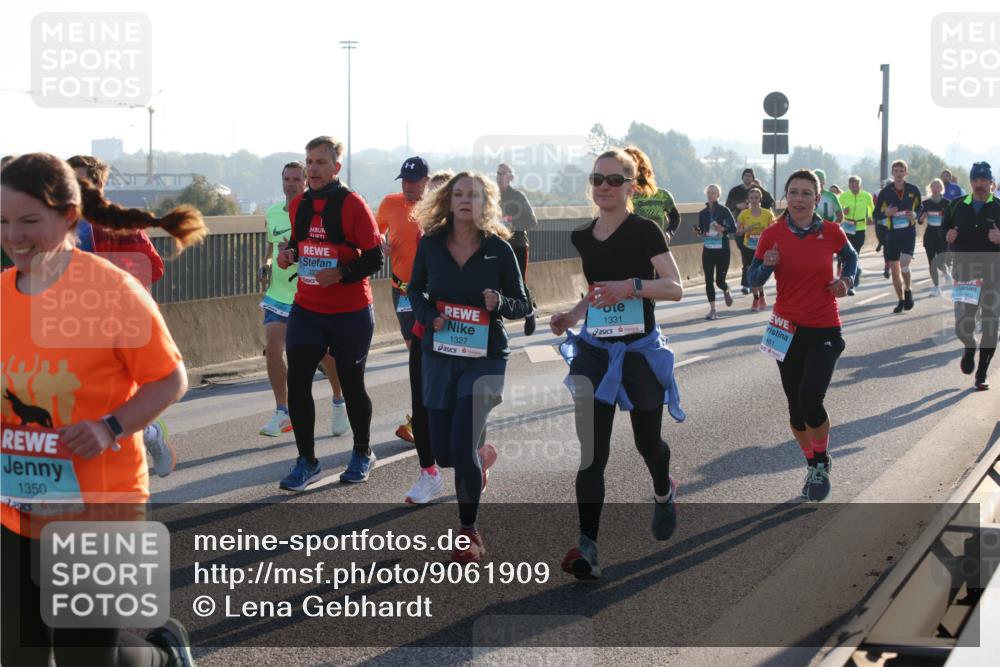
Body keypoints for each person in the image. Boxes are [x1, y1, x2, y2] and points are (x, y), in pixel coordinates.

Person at [1, 152, 205, 666]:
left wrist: (109, 426)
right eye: (2, 221)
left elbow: (169, 378)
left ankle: (162, 655)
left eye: (29, 221)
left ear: (70, 217)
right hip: (16, 505)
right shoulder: (1, 294)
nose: (13, 236)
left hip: (100, 508)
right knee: (20, 653)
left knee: (84, 658)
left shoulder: (112, 291)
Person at [550, 147, 685, 580]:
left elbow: (675, 287)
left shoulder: (645, 230)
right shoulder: (583, 237)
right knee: (593, 454)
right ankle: (587, 546)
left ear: (631, 186)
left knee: (649, 445)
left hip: (639, 351)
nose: (604, 187)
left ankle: (664, 492)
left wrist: (632, 286)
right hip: (594, 352)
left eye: (613, 180)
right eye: (597, 179)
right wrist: (571, 316)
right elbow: (596, 292)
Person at [408, 171, 528, 561]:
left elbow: (525, 304)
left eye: (473, 195)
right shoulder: (431, 245)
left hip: (485, 357)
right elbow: (415, 289)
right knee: (444, 453)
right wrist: (429, 314)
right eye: (458, 194)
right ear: (447, 200)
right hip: (440, 355)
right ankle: (480, 456)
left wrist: (500, 303)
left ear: (485, 203)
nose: (465, 200)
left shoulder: (499, 249)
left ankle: (468, 533)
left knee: (460, 445)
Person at [275, 136, 384, 491]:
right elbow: (298, 242)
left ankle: (363, 452)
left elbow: (374, 258)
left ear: (335, 167)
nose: (312, 168)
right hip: (307, 309)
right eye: (309, 162)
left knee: (352, 384)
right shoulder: (299, 206)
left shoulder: (352, 204)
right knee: (298, 381)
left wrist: (340, 273)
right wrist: (288, 253)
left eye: (321, 162)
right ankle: (307, 461)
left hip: (350, 312)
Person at [748, 168, 858, 503]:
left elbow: (852, 259)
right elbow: (752, 279)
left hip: (825, 326)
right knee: (795, 409)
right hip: (785, 329)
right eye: (793, 192)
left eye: (806, 193)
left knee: (811, 399)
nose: (799, 199)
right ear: (786, 196)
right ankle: (811, 463)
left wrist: (847, 281)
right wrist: (766, 265)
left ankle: (821, 463)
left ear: (817, 197)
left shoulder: (832, 232)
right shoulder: (772, 233)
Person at [65, 155, 176, 478]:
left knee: (105, 404)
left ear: (99, 185)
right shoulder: (55, 221)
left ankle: (149, 435)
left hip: (111, 325)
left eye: (83, 180)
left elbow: (153, 267)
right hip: (67, 325)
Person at [258, 161, 347, 437]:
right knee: (273, 349)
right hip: (278, 295)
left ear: (305, 182)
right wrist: (268, 263)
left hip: (307, 293)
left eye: (297, 179)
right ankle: (282, 411)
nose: (291, 184)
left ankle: (338, 400)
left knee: (325, 353)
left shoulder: (314, 212)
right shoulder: (273, 214)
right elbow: (271, 248)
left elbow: (325, 251)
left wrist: (296, 254)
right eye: (287, 178)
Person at [400, 170, 452, 505]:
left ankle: (475, 457)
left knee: (460, 405)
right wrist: (425, 314)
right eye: (430, 197)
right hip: (427, 331)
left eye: (443, 195)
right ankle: (428, 474)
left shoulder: (483, 239)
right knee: (421, 403)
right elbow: (416, 286)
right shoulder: (425, 238)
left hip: (465, 334)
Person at [376, 156, 432, 444]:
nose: (408, 186)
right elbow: (373, 231)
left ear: (426, 181)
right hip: (402, 291)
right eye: (405, 181)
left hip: (433, 293)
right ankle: (423, 417)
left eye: (414, 181)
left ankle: (422, 418)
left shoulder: (436, 208)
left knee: (425, 356)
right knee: (416, 355)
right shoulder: (390, 203)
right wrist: (380, 242)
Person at [943, 162, 1000, 390]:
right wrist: (948, 234)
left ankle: (982, 373)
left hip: (994, 275)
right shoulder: (957, 206)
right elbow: (943, 229)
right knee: (963, 325)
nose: (979, 185)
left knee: (990, 326)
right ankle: (969, 347)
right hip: (965, 272)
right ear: (971, 182)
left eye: (983, 180)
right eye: (975, 180)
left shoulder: (998, 206)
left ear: (990, 182)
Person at [875, 160, 923, 313]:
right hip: (892, 235)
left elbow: (921, 207)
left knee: (904, 265)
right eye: (896, 170)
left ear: (906, 173)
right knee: (895, 272)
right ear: (892, 173)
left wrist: (915, 215)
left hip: (908, 233)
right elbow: (875, 214)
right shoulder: (885, 192)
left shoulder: (913, 189)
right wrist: (886, 213)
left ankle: (908, 289)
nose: (899, 173)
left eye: (901, 170)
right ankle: (901, 300)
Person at [496, 163, 539, 336]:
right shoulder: (492, 197)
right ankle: (496, 321)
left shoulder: (518, 196)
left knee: (519, 282)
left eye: (503, 174)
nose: (499, 177)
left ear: (511, 177)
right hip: (498, 246)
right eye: (498, 173)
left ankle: (529, 313)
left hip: (518, 245)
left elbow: (532, 221)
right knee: (497, 283)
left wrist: (512, 225)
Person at [725, 168, 775, 294]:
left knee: (756, 258)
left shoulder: (759, 190)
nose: (748, 178)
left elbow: (770, 201)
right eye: (746, 176)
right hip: (741, 226)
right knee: (745, 256)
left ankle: (753, 282)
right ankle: (747, 283)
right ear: (742, 177)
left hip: (759, 229)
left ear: (753, 178)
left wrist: (759, 196)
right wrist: (737, 206)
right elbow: (727, 206)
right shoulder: (735, 191)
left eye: (750, 176)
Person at [697, 183, 737, 320]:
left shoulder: (724, 210)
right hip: (708, 250)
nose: (711, 195)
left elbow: (734, 228)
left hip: (722, 250)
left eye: (714, 193)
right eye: (709, 193)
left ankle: (726, 289)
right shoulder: (702, 213)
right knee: (708, 280)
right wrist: (699, 231)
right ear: (706, 195)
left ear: (718, 195)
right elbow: (703, 230)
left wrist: (723, 229)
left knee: (720, 281)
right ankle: (713, 310)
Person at [735, 186, 775, 311]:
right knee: (751, 273)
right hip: (748, 247)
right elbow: (738, 232)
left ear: (760, 199)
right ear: (748, 200)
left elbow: (773, 231)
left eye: (756, 197)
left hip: (762, 248)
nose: (754, 200)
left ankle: (762, 296)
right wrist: (747, 229)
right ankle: (756, 298)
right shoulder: (743, 214)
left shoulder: (767, 214)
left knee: (760, 272)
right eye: (751, 198)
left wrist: (765, 232)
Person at [629, 155, 681, 241]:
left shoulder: (662, 195)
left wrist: (669, 233)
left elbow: (675, 217)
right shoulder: (625, 196)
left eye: (642, 171)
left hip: (658, 245)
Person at [838, 175, 875, 295]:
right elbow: (838, 209)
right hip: (847, 227)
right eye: (852, 184)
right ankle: (850, 283)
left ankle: (854, 274)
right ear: (849, 185)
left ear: (860, 185)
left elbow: (871, 208)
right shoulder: (844, 196)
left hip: (860, 227)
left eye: (857, 184)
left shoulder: (866, 196)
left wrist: (869, 216)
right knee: (846, 255)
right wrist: (844, 211)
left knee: (855, 254)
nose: (855, 186)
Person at [920, 178, 952, 298]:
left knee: (939, 261)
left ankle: (945, 270)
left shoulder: (947, 203)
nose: (935, 189)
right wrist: (922, 217)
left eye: (938, 187)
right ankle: (936, 287)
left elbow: (951, 220)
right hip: (930, 234)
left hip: (942, 235)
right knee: (931, 262)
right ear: (930, 188)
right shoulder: (926, 203)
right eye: (933, 186)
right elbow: (920, 220)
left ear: (941, 189)